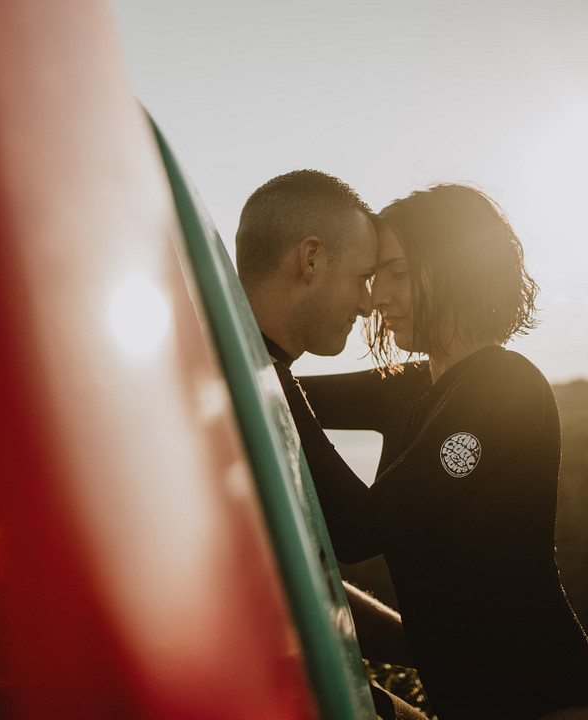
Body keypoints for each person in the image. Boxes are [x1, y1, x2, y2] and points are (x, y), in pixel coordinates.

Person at [283, 184, 588, 720]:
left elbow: (359, 529)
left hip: (562, 706)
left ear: (457, 270)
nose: (378, 297)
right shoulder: (405, 386)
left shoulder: (505, 387)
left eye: (398, 274)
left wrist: (269, 370)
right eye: (375, 277)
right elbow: (286, 396)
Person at [236, 169, 427, 720]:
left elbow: (299, 580)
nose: (370, 305)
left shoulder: (246, 369)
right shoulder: (258, 379)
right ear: (311, 259)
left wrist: (418, 648)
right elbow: (357, 529)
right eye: (364, 277)